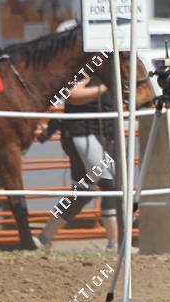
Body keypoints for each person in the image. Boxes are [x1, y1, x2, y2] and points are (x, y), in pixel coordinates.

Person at [36, 76, 120, 250]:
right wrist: (105, 86)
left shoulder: (109, 70)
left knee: (82, 192)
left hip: (91, 138)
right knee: (111, 184)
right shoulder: (89, 68)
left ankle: (43, 238)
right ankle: (115, 244)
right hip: (83, 136)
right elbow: (71, 94)